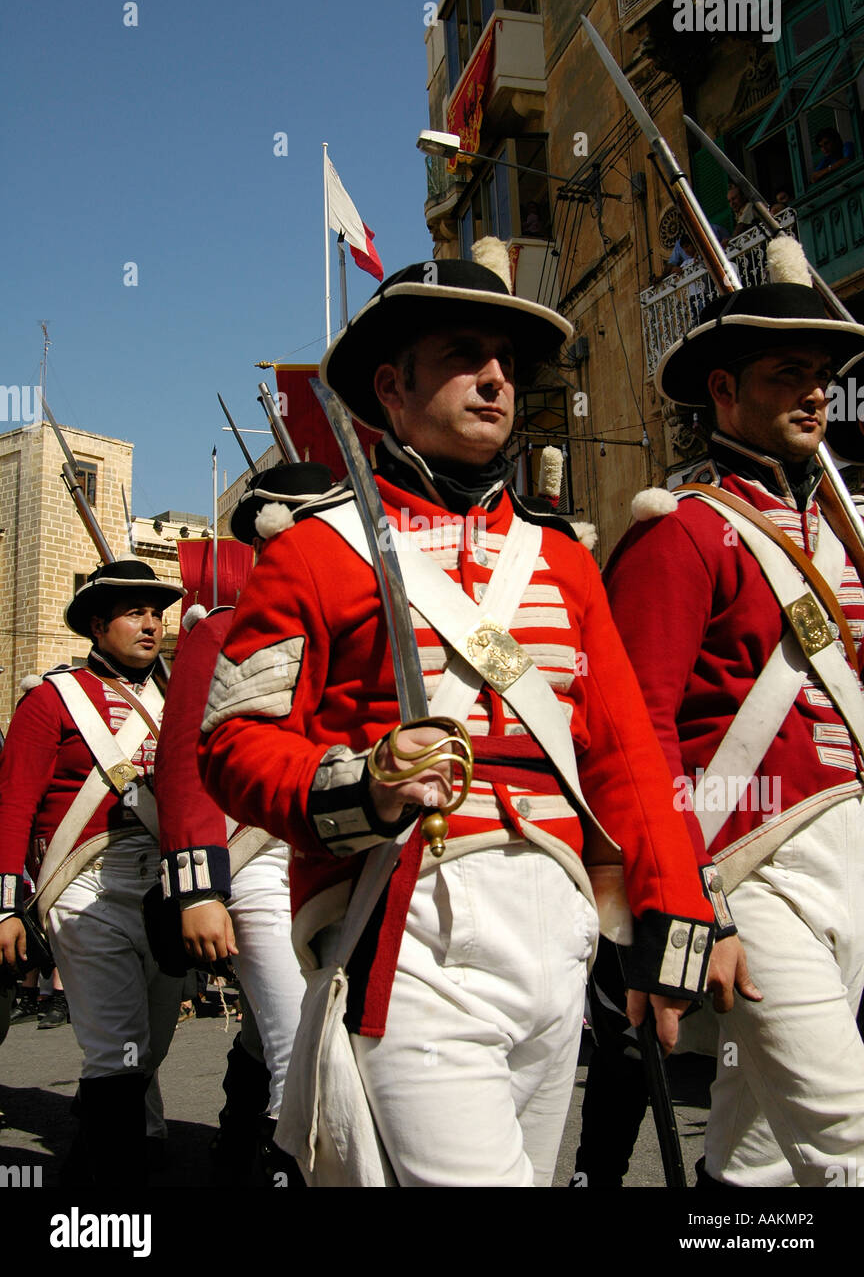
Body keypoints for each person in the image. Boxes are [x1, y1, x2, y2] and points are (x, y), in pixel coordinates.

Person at [198, 239, 719, 1188]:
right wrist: (361, 780)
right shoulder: (316, 553)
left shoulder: (561, 558)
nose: (494, 381)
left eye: (507, 366)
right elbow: (232, 744)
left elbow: (624, 752)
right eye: (464, 357)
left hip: (559, 918)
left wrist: (667, 916)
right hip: (412, 910)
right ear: (391, 388)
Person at [604, 236, 864, 1186]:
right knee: (849, 1138)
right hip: (751, 866)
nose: (815, 391)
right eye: (787, 372)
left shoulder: (842, 538)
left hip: (853, 861)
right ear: (722, 392)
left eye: (823, 374)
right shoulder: (682, 533)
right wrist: (687, 904)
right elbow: (640, 737)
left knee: (754, 1160)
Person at [155, 462, 330, 1186]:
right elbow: (183, 764)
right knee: (304, 1049)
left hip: (327, 852)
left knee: (268, 1033)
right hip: (254, 858)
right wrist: (199, 889)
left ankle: (235, 1157)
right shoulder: (222, 631)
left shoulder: (349, 622)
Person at [0, 559, 185, 1184]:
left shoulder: (177, 698)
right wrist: (2, 905)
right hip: (83, 877)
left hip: (164, 881)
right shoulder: (52, 697)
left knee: (151, 1045)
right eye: (135, 613)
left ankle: (115, 1147)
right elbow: (12, 805)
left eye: (156, 613)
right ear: (98, 626)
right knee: (120, 1048)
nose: (151, 624)